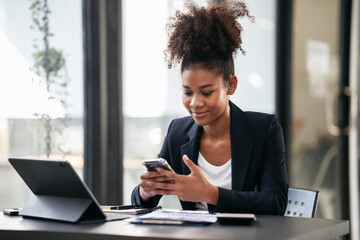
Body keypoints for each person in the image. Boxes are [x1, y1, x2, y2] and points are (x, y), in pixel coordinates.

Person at [131, 0, 288, 215]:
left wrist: (210, 193)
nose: (195, 102)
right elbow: (143, 202)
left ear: (230, 85)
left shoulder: (265, 129)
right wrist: (146, 191)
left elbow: (275, 202)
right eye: (187, 92)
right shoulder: (177, 132)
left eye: (206, 92)